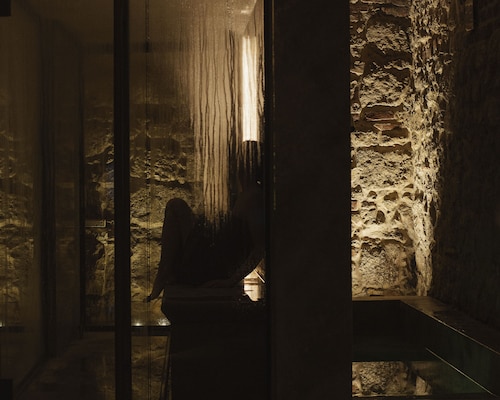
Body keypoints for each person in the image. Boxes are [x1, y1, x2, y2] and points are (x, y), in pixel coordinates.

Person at [146, 164, 265, 303]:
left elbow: (260, 247)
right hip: (213, 258)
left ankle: (164, 274)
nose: (235, 171)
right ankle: (166, 272)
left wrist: (231, 280)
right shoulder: (245, 194)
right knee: (179, 209)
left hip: (215, 268)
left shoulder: (253, 197)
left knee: (176, 206)